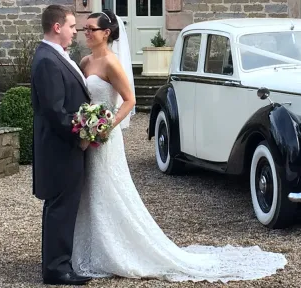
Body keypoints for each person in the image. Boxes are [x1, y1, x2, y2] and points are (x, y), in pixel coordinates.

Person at [71, 9, 287, 283]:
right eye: (84, 28)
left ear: (106, 33)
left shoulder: (112, 64)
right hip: (88, 135)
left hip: (105, 138)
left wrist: (106, 126)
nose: (86, 33)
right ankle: (90, 248)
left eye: (91, 28)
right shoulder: (85, 61)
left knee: (109, 190)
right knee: (89, 190)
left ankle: (117, 250)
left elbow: (129, 100)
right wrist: (83, 124)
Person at [31, 5, 92, 286]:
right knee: (60, 207)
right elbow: (55, 112)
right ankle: (56, 269)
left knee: (62, 206)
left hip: (63, 147)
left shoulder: (56, 56)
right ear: (57, 27)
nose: (75, 32)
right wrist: (81, 135)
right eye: (72, 27)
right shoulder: (46, 60)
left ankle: (57, 262)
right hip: (60, 148)